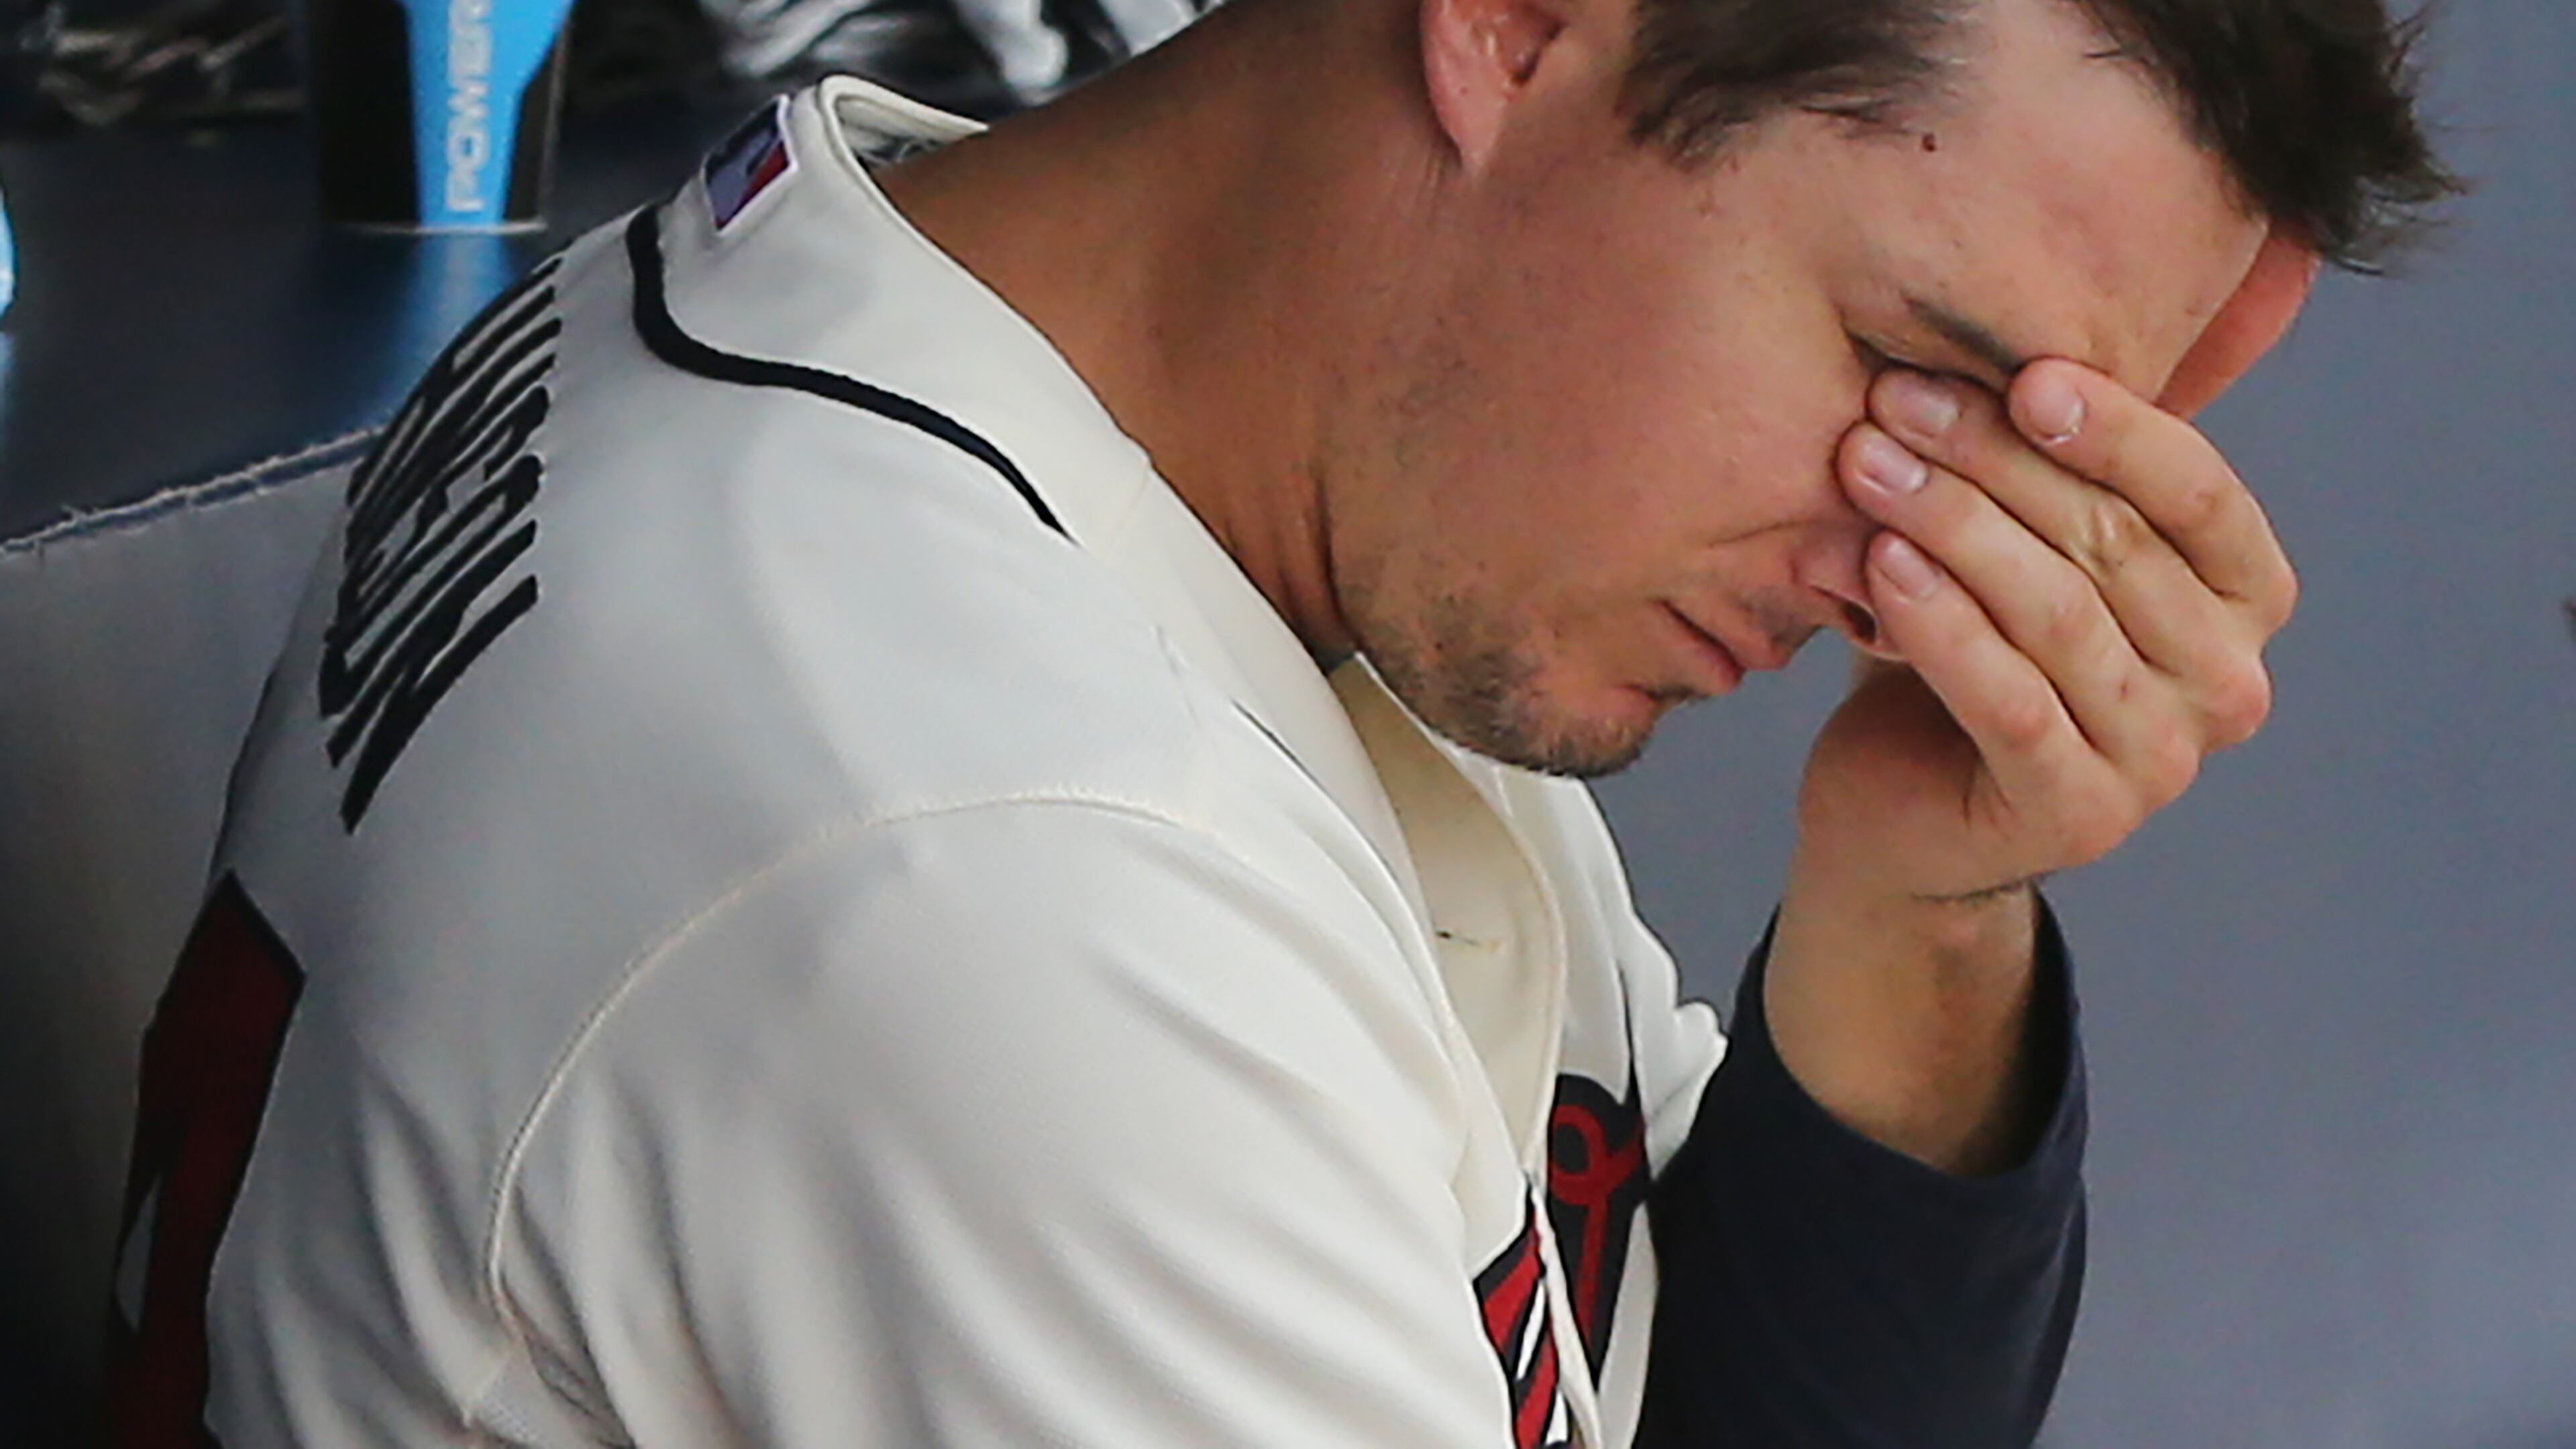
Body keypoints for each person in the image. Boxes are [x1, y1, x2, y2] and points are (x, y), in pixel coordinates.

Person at [103, 0, 2451, 1442]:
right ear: (1519, 22)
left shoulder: (1039, 366)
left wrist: (1922, 908)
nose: (1915, 554)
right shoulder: (1003, 865)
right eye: (1912, 371)